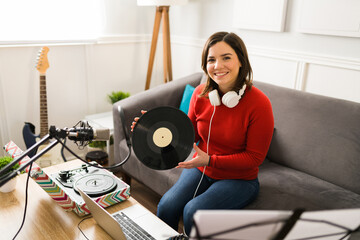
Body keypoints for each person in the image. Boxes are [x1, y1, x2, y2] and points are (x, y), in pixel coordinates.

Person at [132, 31, 274, 236]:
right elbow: (187, 135)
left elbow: (254, 158)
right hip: (203, 167)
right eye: (211, 60)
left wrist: (210, 161)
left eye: (226, 58)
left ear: (241, 61)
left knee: (193, 212)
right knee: (166, 207)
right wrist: (151, 129)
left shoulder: (260, 104)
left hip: (240, 179)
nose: (218, 66)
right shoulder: (200, 93)